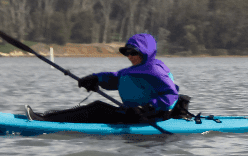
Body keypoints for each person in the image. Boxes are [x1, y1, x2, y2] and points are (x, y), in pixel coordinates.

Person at [29, 33, 181, 124]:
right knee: (98, 107)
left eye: (133, 53)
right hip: (135, 114)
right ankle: (47, 117)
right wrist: (95, 79)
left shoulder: (154, 69)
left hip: (151, 117)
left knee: (97, 109)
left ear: (145, 52)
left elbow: (171, 94)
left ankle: (45, 121)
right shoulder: (135, 69)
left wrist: (146, 108)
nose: (129, 56)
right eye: (127, 53)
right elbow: (116, 79)